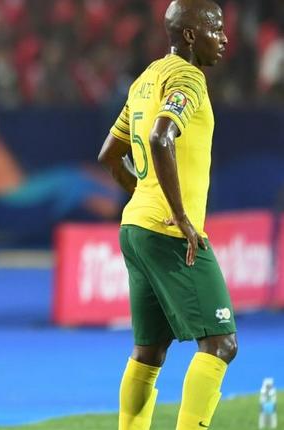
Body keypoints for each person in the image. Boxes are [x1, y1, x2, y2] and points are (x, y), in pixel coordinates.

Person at [97, 1, 237, 429]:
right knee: (220, 343)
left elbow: (108, 155)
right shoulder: (186, 77)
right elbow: (162, 137)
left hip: (136, 227)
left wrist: (143, 195)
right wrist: (179, 215)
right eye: (215, 28)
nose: (224, 37)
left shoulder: (145, 81)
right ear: (190, 35)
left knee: (149, 350)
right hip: (166, 231)